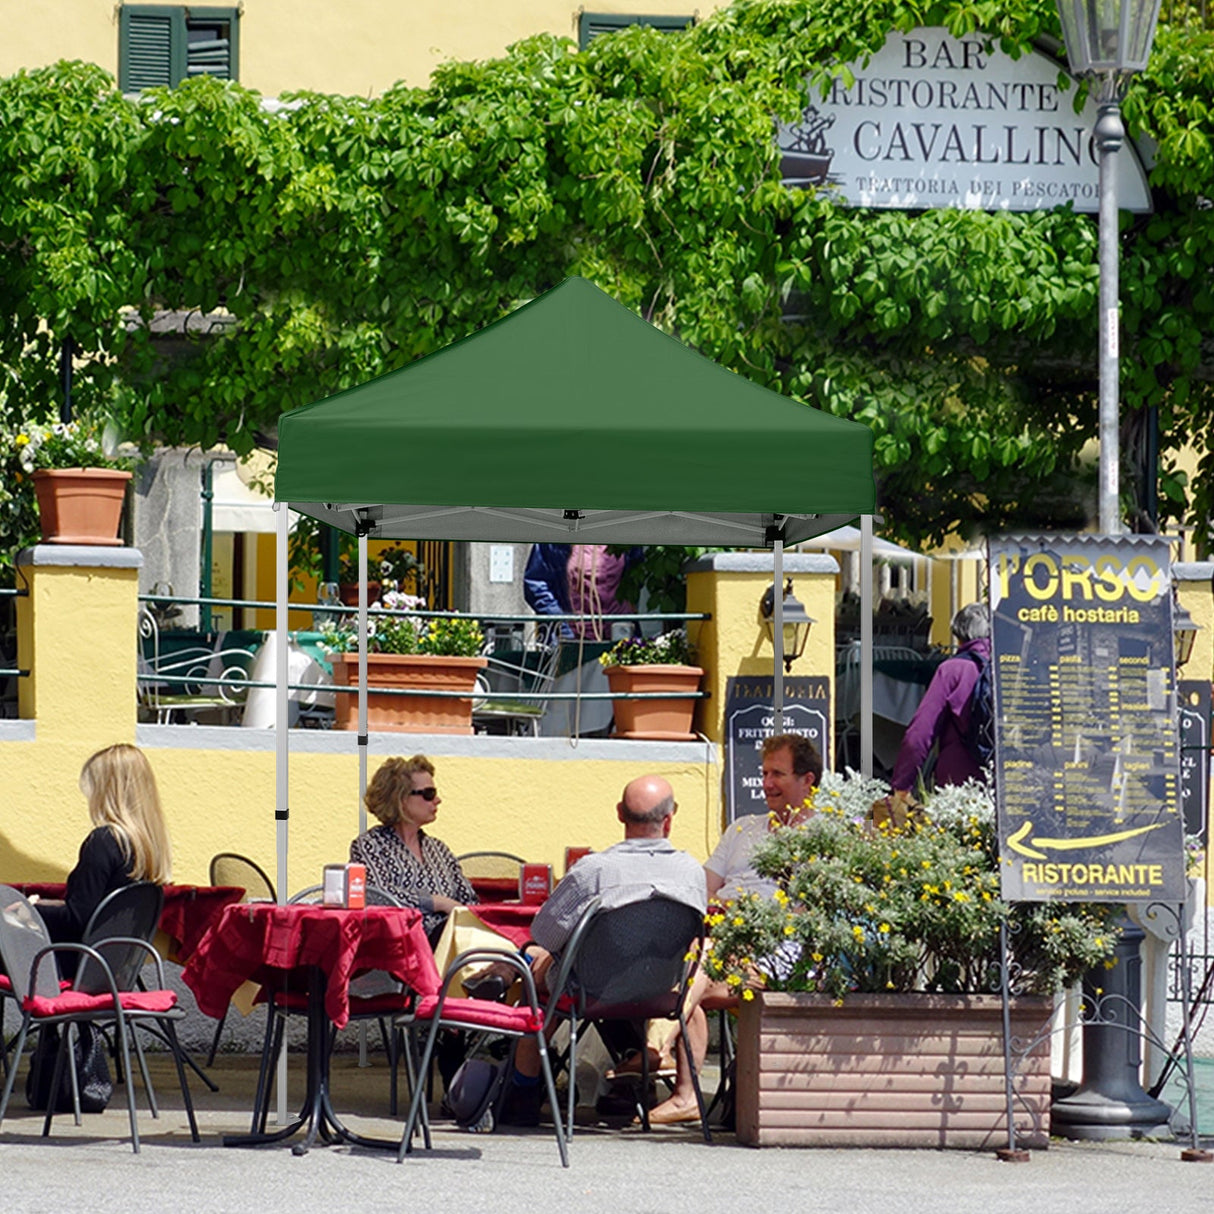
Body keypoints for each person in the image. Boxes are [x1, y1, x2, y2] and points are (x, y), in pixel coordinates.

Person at [497, 774, 706, 1126]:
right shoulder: (691, 872)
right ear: (669, 819)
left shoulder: (594, 871)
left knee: (537, 972)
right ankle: (637, 1076)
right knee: (568, 967)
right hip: (660, 989)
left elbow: (545, 932)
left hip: (590, 989)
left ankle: (523, 1092)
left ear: (620, 813)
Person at [645, 732, 822, 1125]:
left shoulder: (824, 836)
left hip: (773, 952)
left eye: (778, 774)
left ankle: (657, 1050)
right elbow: (703, 891)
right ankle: (682, 1092)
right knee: (682, 970)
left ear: (807, 779)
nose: (766, 783)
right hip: (719, 943)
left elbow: (807, 914)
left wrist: (742, 917)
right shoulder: (743, 828)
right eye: (764, 773)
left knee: (692, 968)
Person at [35, 743, 173, 946]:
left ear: (106, 791)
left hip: (78, 955)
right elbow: (94, 908)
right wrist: (47, 905)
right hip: (117, 957)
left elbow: (76, 920)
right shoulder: (148, 847)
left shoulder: (104, 841)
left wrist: (32, 910)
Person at [348, 755, 476, 945]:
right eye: (429, 794)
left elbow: (469, 901)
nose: (437, 800)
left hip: (453, 940)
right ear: (401, 799)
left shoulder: (439, 849)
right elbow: (377, 896)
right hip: (403, 945)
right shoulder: (370, 845)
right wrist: (436, 902)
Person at [890, 602, 991, 795]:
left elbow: (919, 735)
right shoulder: (1011, 670)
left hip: (959, 784)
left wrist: (901, 787)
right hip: (1010, 785)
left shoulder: (951, 670)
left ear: (959, 635)